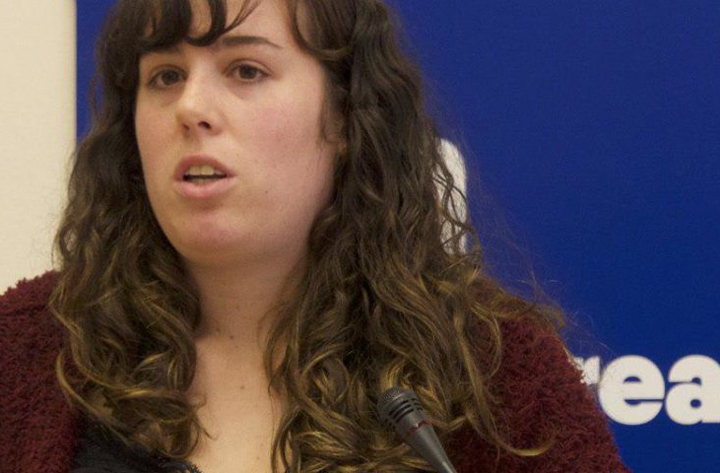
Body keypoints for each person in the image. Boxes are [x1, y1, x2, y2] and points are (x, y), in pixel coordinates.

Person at [0, 0, 630, 472]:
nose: (191, 107)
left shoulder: (495, 369)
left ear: (347, 117)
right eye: (164, 76)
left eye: (245, 70)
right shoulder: (26, 347)